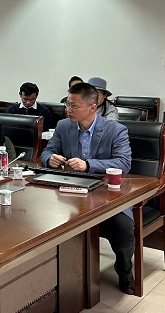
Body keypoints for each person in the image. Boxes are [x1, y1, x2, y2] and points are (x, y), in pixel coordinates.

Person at [40, 82, 134, 294]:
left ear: (92, 107)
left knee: (122, 228)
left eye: (74, 106)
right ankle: (60, 276)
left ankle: (125, 270)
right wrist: (50, 159)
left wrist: (88, 164)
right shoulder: (64, 126)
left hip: (106, 194)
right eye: (67, 104)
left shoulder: (115, 129)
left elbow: (124, 163)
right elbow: (47, 151)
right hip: (70, 193)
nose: (68, 110)